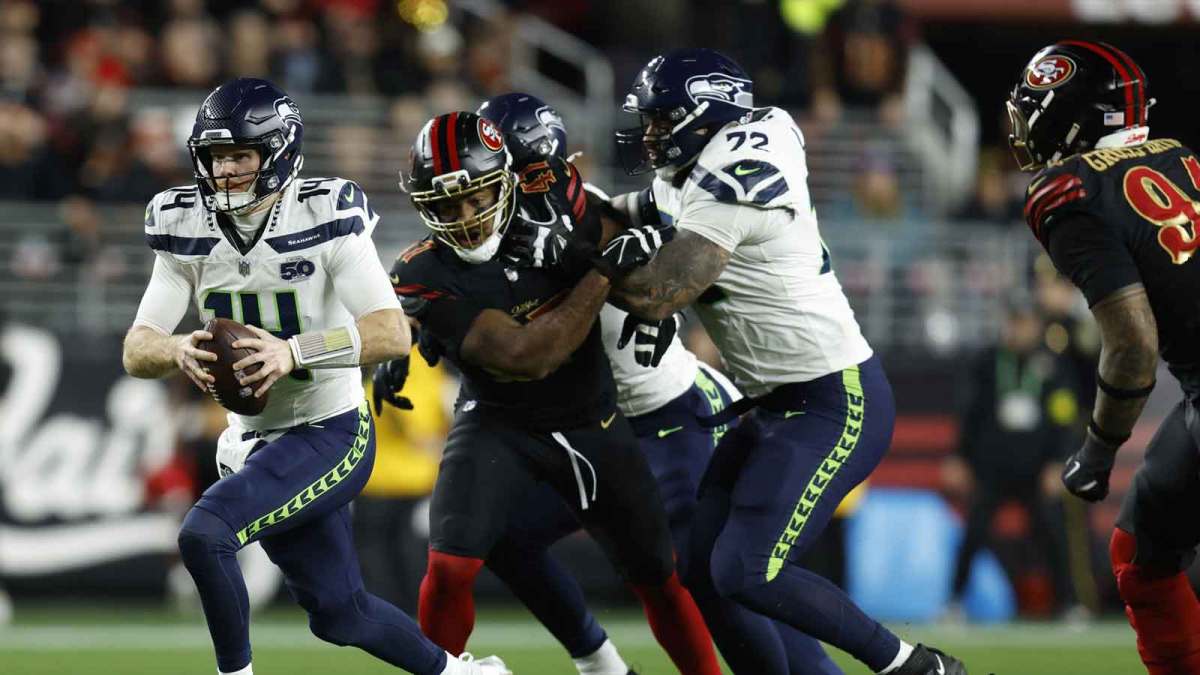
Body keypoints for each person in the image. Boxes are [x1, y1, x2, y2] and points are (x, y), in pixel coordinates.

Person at [120, 78, 510, 675]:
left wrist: (292, 352)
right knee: (340, 614)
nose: (224, 172)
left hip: (329, 430)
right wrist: (176, 349)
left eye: (240, 156)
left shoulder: (325, 211)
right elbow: (137, 348)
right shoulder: (184, 226)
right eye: (215, 157)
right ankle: (465, 674)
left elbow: (390, 332)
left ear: (278, 152)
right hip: (250, 440)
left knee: (206, 534)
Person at [604, 48, 965, 675]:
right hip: (774, 404)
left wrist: (580, 260)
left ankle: (911, 666)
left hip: (833, 399)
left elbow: (659, 294)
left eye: (664, 119)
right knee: (703, 567)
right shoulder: (699, 167)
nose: (652, 133)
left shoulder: (737, 174)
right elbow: (634, 212)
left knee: (749, 568)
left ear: (706, 115)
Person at [386, 110, 722, 675]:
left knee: (659, 577)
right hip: (499, 422)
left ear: (509, 180)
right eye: (444, 206)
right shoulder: (422, 270)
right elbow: (528, 357)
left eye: (475, 197)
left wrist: (631, 257)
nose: (465, 219)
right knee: (449, 567)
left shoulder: (564, 203)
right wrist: (599, 274)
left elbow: (647, 242)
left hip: (594, 420)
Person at [1009, 40, 1200, 674]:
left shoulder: (1070, 189)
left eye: (1035, 110)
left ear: (1073, 118)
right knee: (1141, 555)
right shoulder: (1182, 156)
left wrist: (1095, 453)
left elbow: (1133, 343)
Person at [943, 298, 1080, 619]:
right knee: (973, 534)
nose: (1020, 330)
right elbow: (969, 413)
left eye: (1026, 322)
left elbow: (1065, 417)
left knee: (1052, 535)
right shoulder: (988, 362)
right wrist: (958, 457)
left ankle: (1070, 604)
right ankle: (953, 602)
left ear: (1037, 325)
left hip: (1036, 468)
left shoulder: (1053, 365)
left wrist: (1058, 462)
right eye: (1015, 322)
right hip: (991, 467)